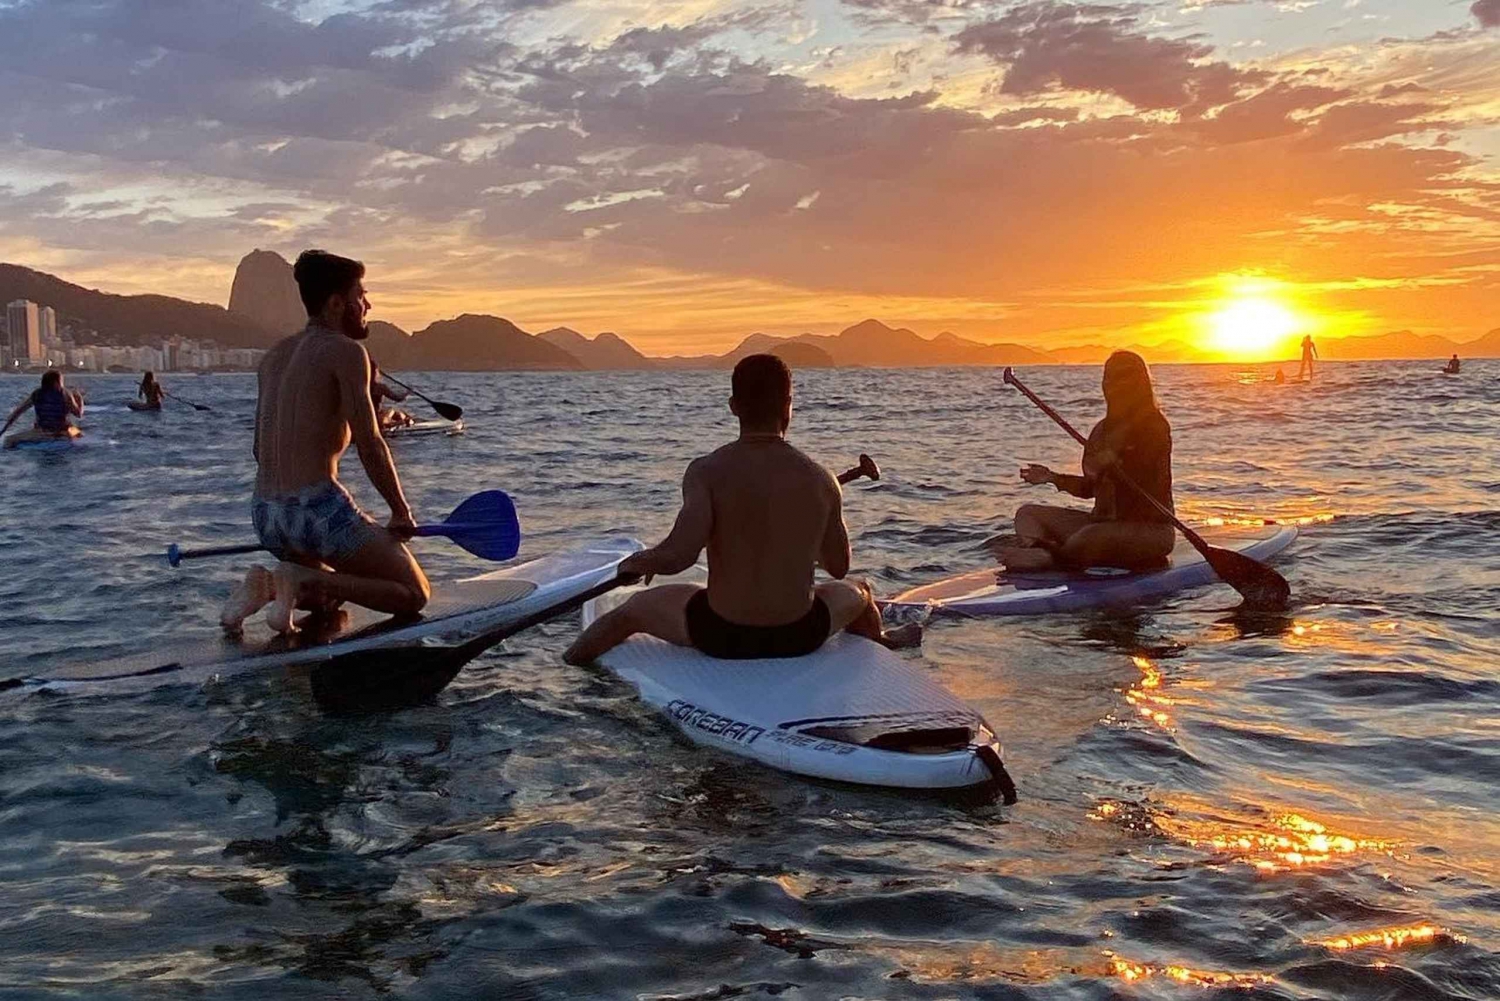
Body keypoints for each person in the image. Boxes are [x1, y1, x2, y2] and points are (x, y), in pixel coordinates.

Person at [564, 354, 919, 666]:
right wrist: (797, 542)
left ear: (733, 406)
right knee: (859, 591)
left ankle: (569, 663)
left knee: (628, 612)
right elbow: (838, 566)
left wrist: (640, 562)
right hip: (799, 635)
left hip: (721, 635)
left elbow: (680, 555)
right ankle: (881, 639)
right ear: (789, 405)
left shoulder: (706, 471)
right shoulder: (822, 480)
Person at [220, 249, 429, 635]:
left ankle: (266, 587)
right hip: (315, 510)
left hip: (265, 513)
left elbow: (257, 450)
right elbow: (370, 444)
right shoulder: (348, 352)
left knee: (331, 593)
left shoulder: (273, 357)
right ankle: (298, 580)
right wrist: (400, 511)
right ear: (336, 304)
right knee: (413, 593)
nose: (367, 304)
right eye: (360, 296)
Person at [991, 350, 1175, 572]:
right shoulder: (1101, 431)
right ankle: (1039, 551)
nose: (1110, 383)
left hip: (1149, 531)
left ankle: (1050, 558)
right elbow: (1090, 488)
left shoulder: (1155, 427)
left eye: (1120, 376)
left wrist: (1117, 463)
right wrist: (1052, 477)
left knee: (1090, 536)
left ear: (1138, 382)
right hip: (1102, 524)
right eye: (1107, 376)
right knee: (1027, 514)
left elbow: (1148, 483)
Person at [1, 370, 85, 441]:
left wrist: (2, 432)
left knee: (9, 441)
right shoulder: (65, 394)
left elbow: (17, 413)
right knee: (81, 436)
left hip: (41, 432)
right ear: (57, 382)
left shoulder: (37, 394)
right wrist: (80, 399)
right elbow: (78, 414)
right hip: (64, 431)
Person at [370, 362, 413, 431]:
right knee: (393, 411)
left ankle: (402, 421)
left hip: (366, 416)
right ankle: (404, 422)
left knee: (395, 412)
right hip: (377, 418)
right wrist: (407, 393)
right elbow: (398, 398)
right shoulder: (380, 387)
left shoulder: (360, 387)